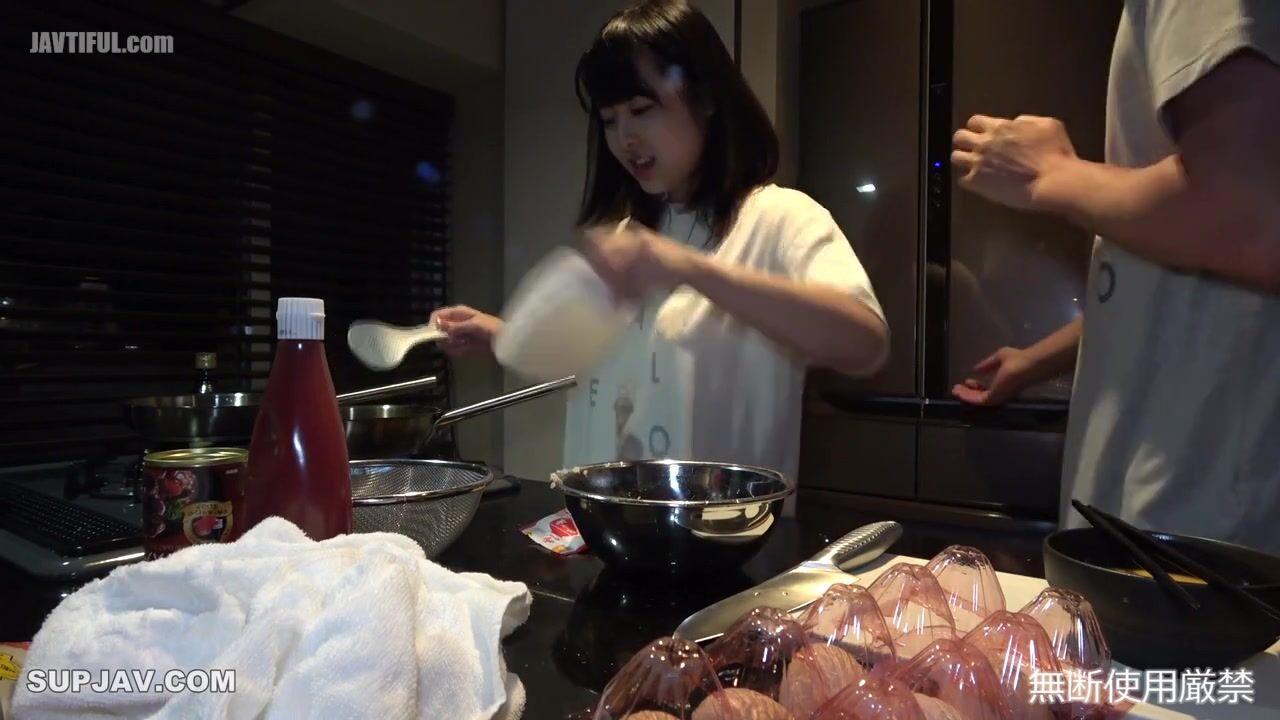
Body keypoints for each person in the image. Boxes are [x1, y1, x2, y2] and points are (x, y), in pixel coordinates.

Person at [432, 0, 889, 483]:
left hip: (722, 525)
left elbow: (866, 344)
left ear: (706, 98)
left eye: (641, 109)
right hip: (607, 516)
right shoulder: (630, 238)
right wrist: (500, 334)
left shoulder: (779, 218)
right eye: (609, 119)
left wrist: (689, 268)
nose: (624, 138)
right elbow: (611, 365)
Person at [951, 0, 1280, 552]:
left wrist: (1049, 174)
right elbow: (1184, 254)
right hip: (1189, 496)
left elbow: (1248, 210)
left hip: (1195, 501)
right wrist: (1037, 359)